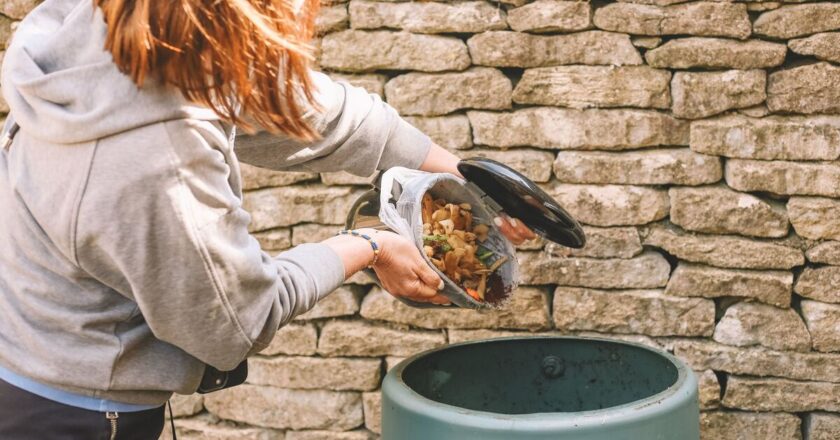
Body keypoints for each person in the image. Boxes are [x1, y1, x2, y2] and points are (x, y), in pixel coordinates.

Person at [0, 0, 536, 438]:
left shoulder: (131, 27)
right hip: (72, 412)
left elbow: (308, 110)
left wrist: (466, 179)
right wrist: (369, 244)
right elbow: (237, 323)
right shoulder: (161, 162)